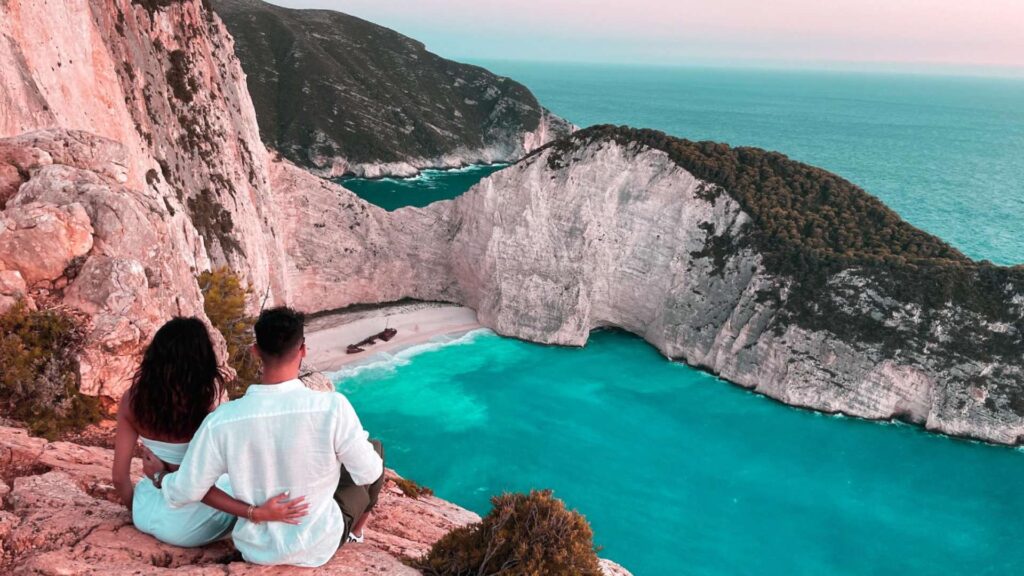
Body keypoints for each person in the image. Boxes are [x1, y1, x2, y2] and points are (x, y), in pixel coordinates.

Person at [142, 307, 385, 567]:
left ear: (255, 351)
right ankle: (356, 534)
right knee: (375, 449)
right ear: (302, 350)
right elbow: (369, 474)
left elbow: (187, 491)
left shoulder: (222, 421)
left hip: (256, 548)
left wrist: (160, 476)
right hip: (317, 544)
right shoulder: (333, 408)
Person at [112, 317, 308, 547]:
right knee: (239, 483)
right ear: (202, 362)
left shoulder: (131, 401)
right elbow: (199, 489)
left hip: (144, 511)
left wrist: (137, 510)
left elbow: (118, 478)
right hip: (187, 528)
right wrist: (255, 512)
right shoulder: (204, 412)